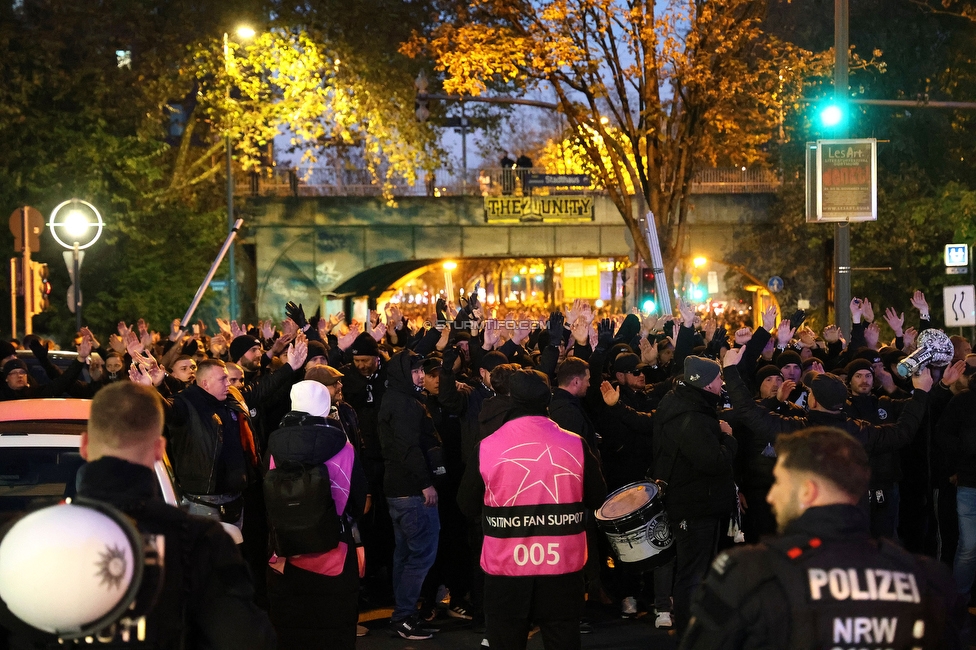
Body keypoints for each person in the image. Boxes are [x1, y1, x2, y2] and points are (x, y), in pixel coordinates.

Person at [0, 382, 276, 648]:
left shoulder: (18, 539)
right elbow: (247, 640)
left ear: (84, 446)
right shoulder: (200, 541)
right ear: (158, 449)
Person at [680, 426, 963, 649]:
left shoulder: (748, 574)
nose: (771, 495)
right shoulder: (928, 579)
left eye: (779, 481)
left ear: (807, 491)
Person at [458, 369, 607, 650]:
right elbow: (597, 498)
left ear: (512, 399)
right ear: (547, 398)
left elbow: (466, 505)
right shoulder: (575, 444)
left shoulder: (487, 447)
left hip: (506, 571)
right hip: (562, 570)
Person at [265, 380, 367, 649]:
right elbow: (356, 502)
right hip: (334, 549)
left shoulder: (275, 445)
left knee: (292, 628)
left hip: (286, 551)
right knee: (333, 626)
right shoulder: (344, 447)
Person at [377, 350, 442, 640]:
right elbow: (408, 448)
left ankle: (404, 615)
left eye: (421, 370)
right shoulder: (403, 403)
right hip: (411, 492)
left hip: (399, 490)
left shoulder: (398, 397)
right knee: (419, 557)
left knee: (405, 555)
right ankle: (404, 616)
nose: (420, 376)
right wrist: (425, 483)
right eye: (415, 370)